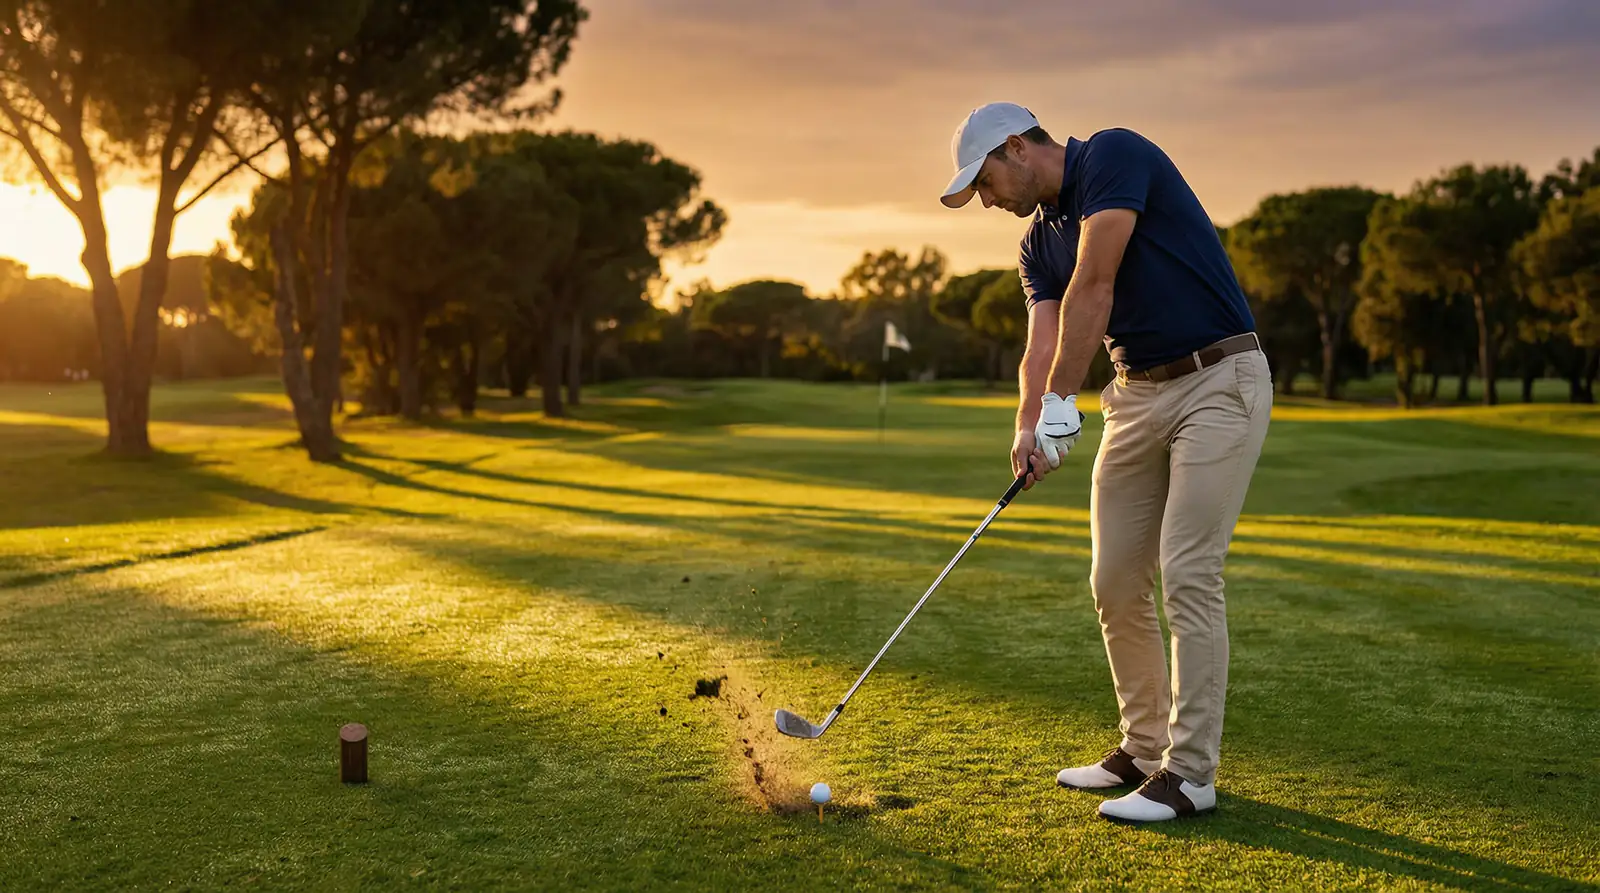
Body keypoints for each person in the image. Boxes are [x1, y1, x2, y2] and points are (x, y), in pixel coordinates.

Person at [939, 102, 1272, 823]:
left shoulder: (1114, 156)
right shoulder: (1035, 243)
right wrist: (1030, 423)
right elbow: (1043, 335)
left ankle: (1190, 774)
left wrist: (1064, 398)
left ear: (1018, 147)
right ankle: (1145, 747)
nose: (987, 199)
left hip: (1218, 380)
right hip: (1137, 393)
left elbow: (1098, 282)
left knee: (1188, 569)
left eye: (986, 181)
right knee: (1115, 575)